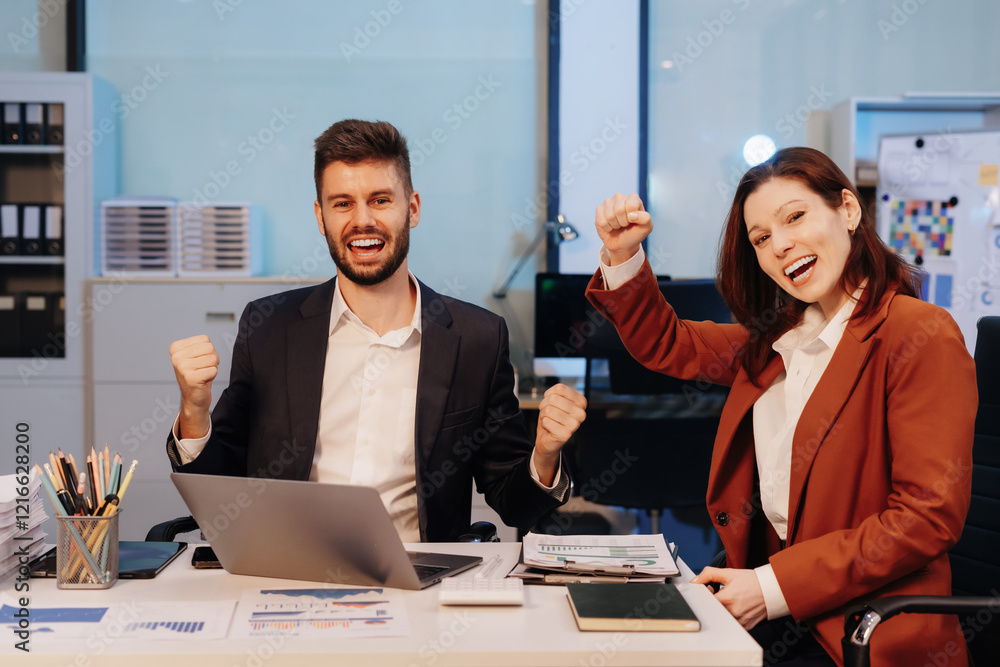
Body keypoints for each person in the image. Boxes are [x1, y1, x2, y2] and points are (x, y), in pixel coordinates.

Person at [586, 147, 975, 665]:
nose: (781, 245)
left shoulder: (917, 333)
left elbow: (926, 519)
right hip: (779, 611)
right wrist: (623, 255)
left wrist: (770, 589)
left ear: (848, 210)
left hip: (859, 630)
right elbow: (668, 342)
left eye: (795, 217)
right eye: (761, 238)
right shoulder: (779, 340)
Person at [166, 119, 587, 543]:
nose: (362, 220)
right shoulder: (269, 326)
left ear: (412, 209)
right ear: (321, 217)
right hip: (287, 566)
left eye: (380, 200)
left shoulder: (477, 339)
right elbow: (220, 493)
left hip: (417, 572)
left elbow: (515, 504)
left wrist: (545, 453)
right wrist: (194, 412)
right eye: (342, 203)